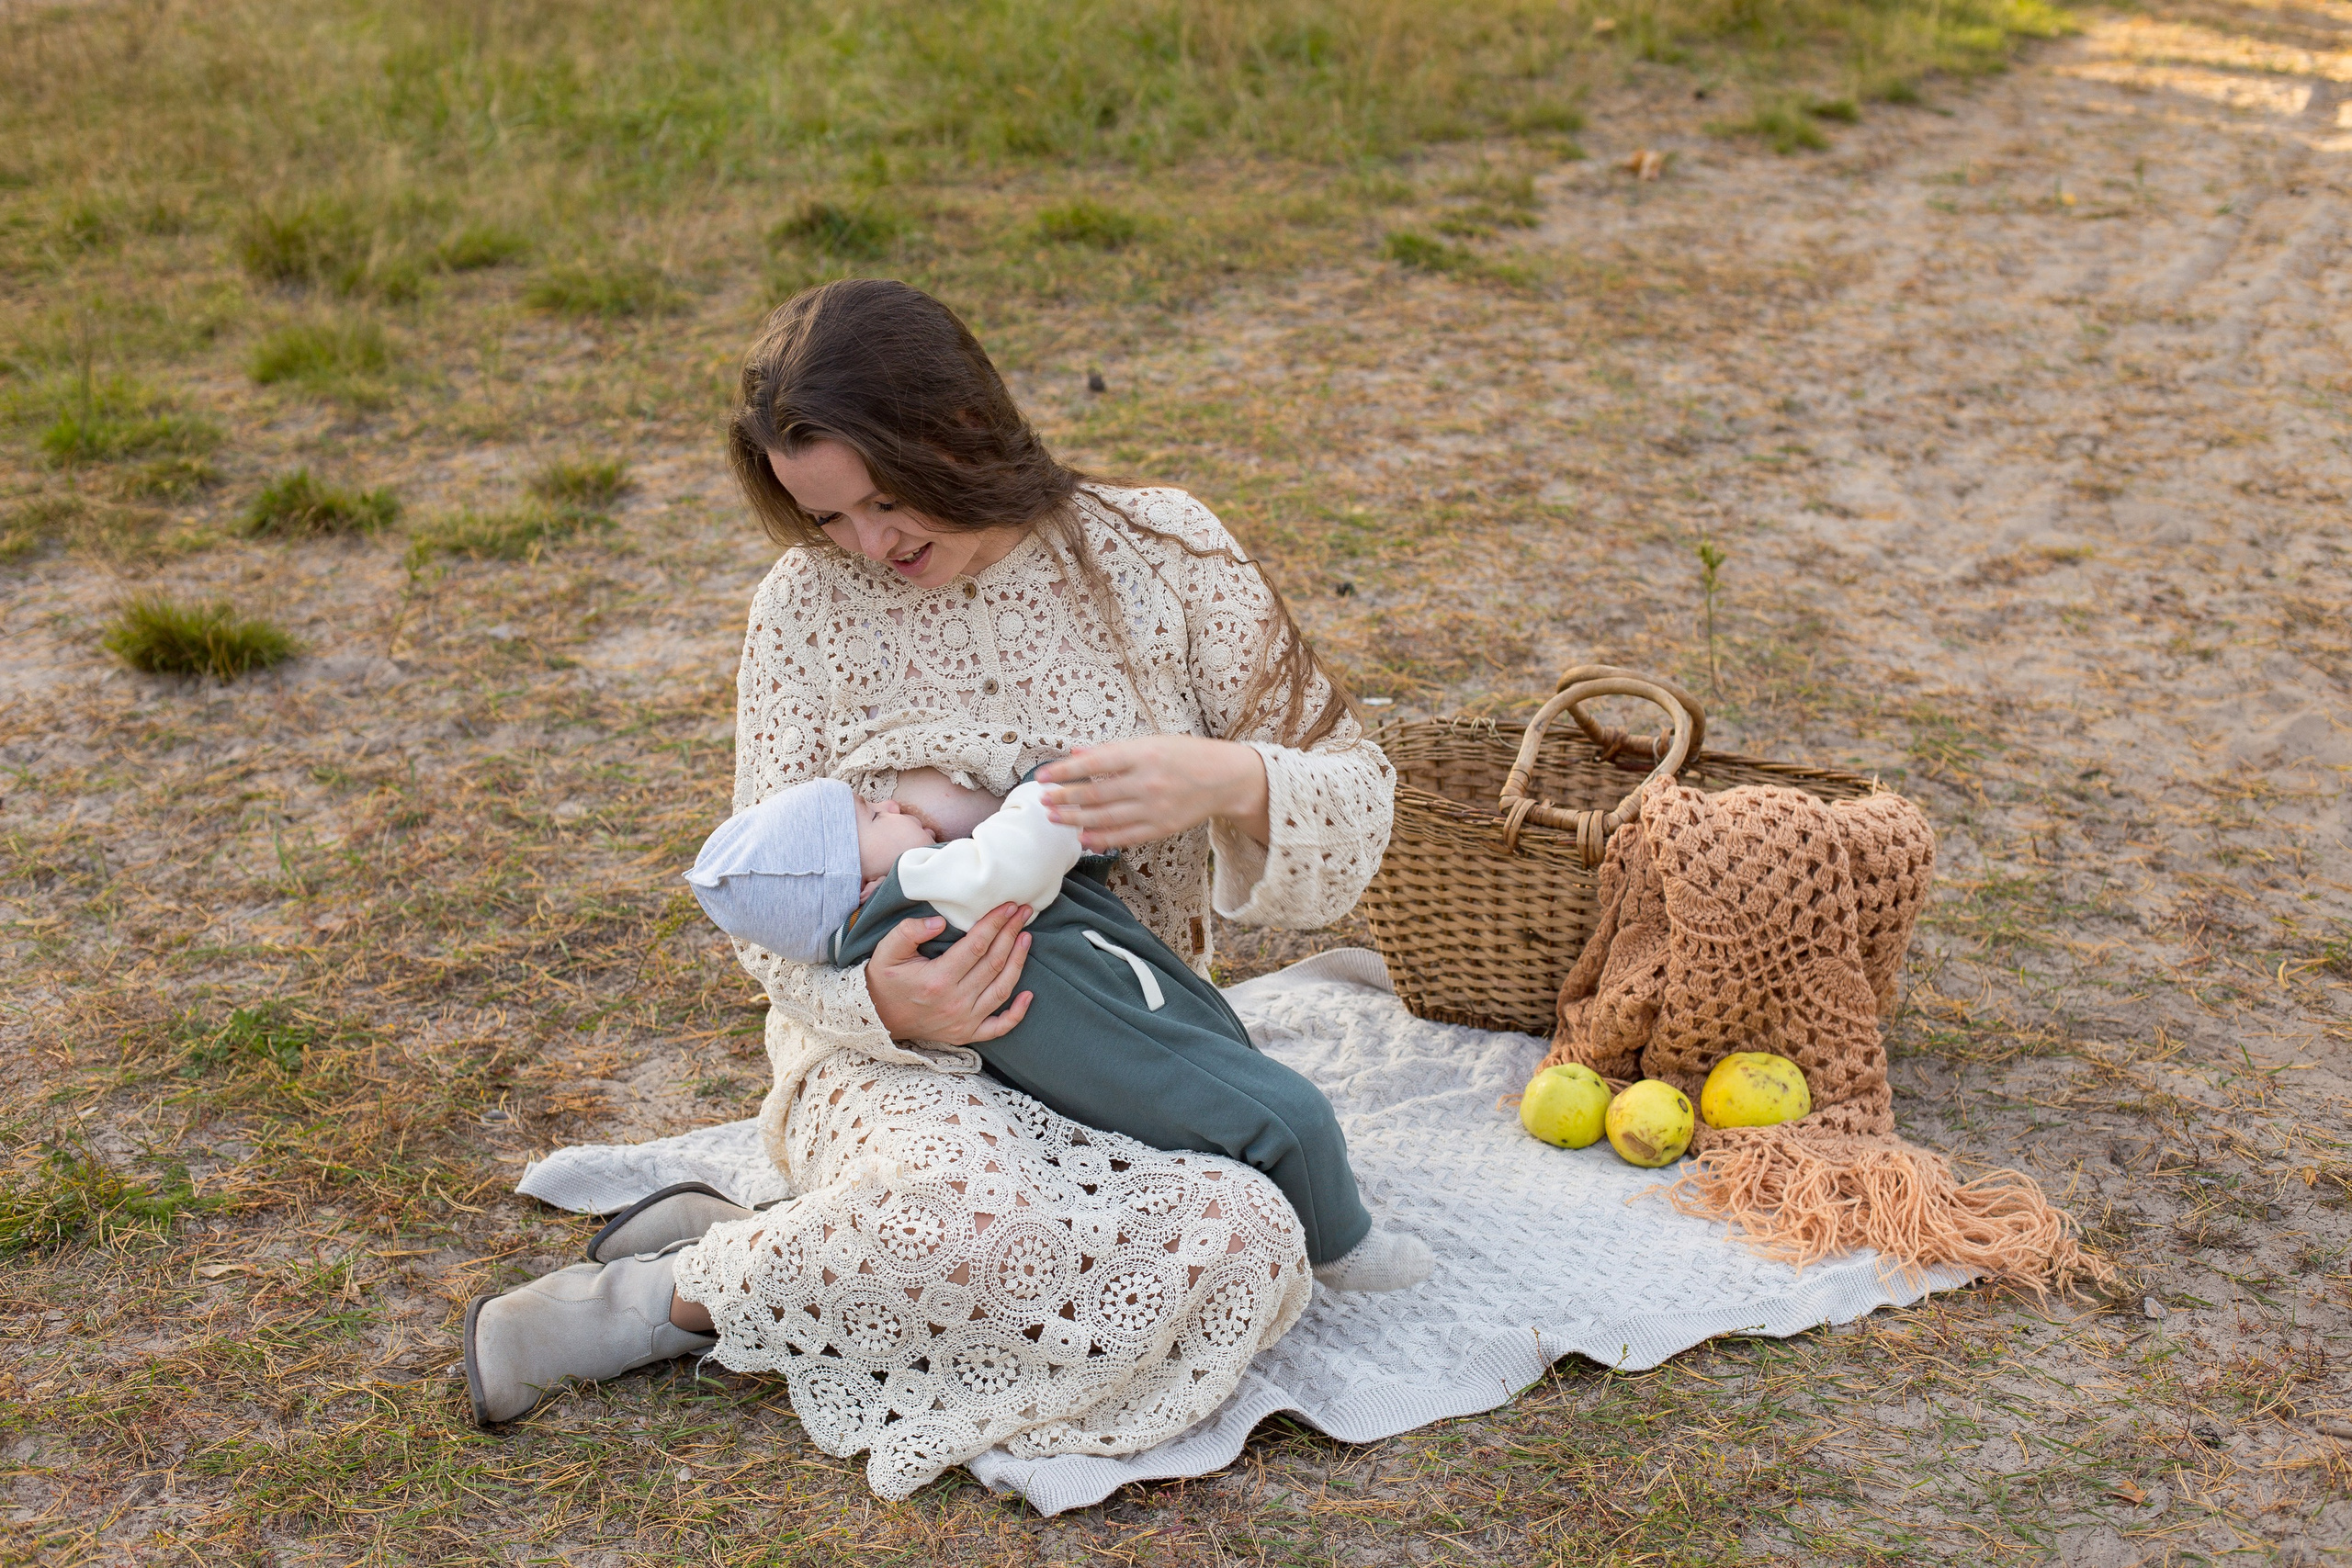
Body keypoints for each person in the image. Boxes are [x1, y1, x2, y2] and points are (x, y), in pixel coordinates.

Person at [461, 278, 1402, 1499]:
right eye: (827, 516)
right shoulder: (803, 613)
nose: (869, 545)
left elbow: (1362, 797)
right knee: (967, 1217)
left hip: (1129, 1048)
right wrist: (888, 1011)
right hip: (899, 1062)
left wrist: (1222, 777)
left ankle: (755, 1238)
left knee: (1252, 1239)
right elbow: (759, 899)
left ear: (964, 426)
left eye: (886, 500)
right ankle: (655, 1300)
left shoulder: (1163, 552)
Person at [682, 773, 1419, 1276]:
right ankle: (1345, 1251)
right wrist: (1049, 781)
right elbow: (1025, 849)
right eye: (875, 819)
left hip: (1090, 1057)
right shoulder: (922, 888)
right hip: (1125, 1034)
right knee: (1289, 1114)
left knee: (1227, 1097)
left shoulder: (869, 936)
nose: (897, 808)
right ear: (860, 884)